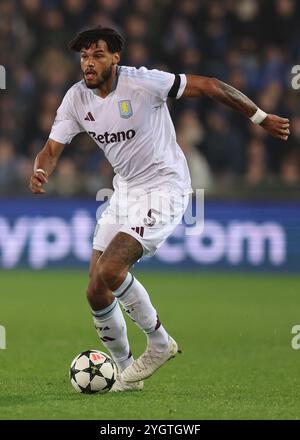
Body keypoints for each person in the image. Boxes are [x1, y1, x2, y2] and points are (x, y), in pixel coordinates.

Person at [29, 26, 290, 392]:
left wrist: (260, 117)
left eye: (98, 55)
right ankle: (125, 372)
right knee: (95, 289)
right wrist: (41, 170)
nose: (88, 63)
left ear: (115, 58)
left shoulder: (143, 83)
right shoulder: (76, 99)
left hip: (165, 187)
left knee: (111, 268)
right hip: (124, 192)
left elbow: (211, 85)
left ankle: (159, 341)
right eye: (84, 57)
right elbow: (51, 149)